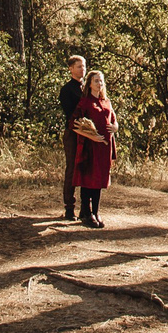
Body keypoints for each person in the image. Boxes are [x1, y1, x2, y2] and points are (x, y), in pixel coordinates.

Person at [71, 70, 117, 228]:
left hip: (105, 147)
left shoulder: (106, 102)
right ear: (89, 83)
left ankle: (96, 212)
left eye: (101, 81)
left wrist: (115, 127)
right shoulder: (85, 102)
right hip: (90, 147)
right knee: (88, 179)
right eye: (96, 80)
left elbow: (114, 121)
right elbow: (74, 125)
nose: (100, 83)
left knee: (99, 180)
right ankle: (86, 213)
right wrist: (92, 137)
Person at [59, 55, 87, 221]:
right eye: (78, 67)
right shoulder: (67, 89)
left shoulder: (87, 87)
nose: (82, 70)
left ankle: (86, 208)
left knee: (86, 169)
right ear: (70, 68)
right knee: (72, 169)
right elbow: (70, 113)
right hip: (73, 133)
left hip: (87, 133)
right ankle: (69, 207)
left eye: (83, 66)